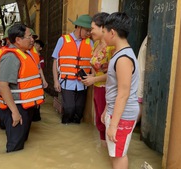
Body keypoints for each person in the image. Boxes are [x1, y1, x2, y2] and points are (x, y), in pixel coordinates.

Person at [0, 23, 44, 152]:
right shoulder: (11, 57)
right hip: (16, 108)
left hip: (26, 106)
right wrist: (15, 112)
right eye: (29, 36)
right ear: (18, 40)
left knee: (22, 144)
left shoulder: (26, 54)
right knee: (15, 147)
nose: (32, 40)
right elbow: (2, 85)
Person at [101, 12, 139, 169]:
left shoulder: (123, 58)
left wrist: (114, 125)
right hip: (116, 112)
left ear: (112, 32)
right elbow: (113, 87)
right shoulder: (118, 53)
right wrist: (106, 110)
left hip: (123, 115)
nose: (103, 37)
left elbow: (123, 94)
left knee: (118, 155)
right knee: (114, 152)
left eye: (104, 32)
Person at [52, 14, 93, 124]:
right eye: (87, 30)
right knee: (69, 108)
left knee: (79, 110)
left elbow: (93, 63)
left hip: (83, 83)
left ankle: (75, 130)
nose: (89, 33)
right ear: (79, 27)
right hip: (66, 81)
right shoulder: (63, 40)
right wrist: (56, 81)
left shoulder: (90, 42)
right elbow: (55, 61)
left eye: (90, 30)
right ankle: (65, 126)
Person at [81, 12, 114, 146]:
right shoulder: (96, 45)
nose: (91, 31)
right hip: (97, 88)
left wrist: (94, 80)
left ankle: (109, 151)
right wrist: (92, 77)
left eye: (93, 28)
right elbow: (97, 69)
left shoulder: (112, 48)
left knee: (105, 119)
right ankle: (102, 150)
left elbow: (114, 74)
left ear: (103, 28)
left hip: (107, 89)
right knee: (99, 120)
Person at [32, 39, 46, 121]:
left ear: (40, 48)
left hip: (37, 80)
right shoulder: (28, 54)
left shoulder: (40, 58)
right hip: (30, 81)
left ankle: (36, 116)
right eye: (35, 44)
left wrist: (43, 80)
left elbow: (40, 68)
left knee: (38, 99)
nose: (35, 46)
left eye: (37, 45)